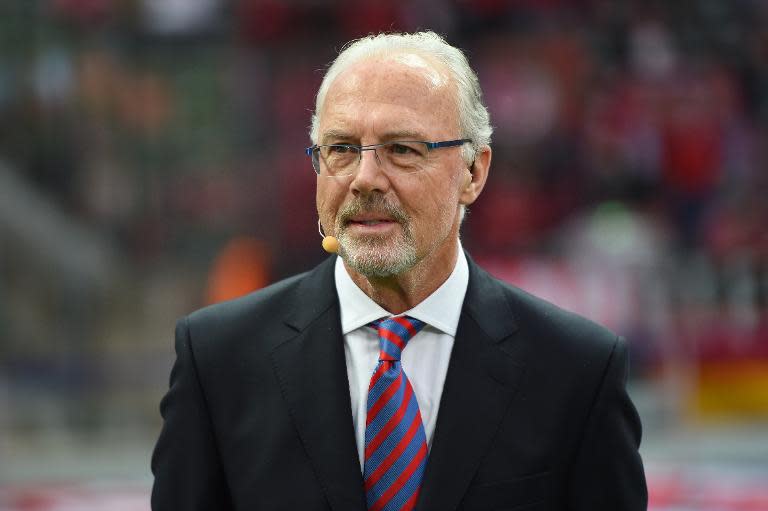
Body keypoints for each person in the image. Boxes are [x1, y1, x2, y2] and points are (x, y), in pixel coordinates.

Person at [151, 31, 647, 511]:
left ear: (474, 173)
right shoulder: (217, 360)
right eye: (341, 149)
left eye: (403, 150)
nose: (365, 179)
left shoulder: (578, 370)